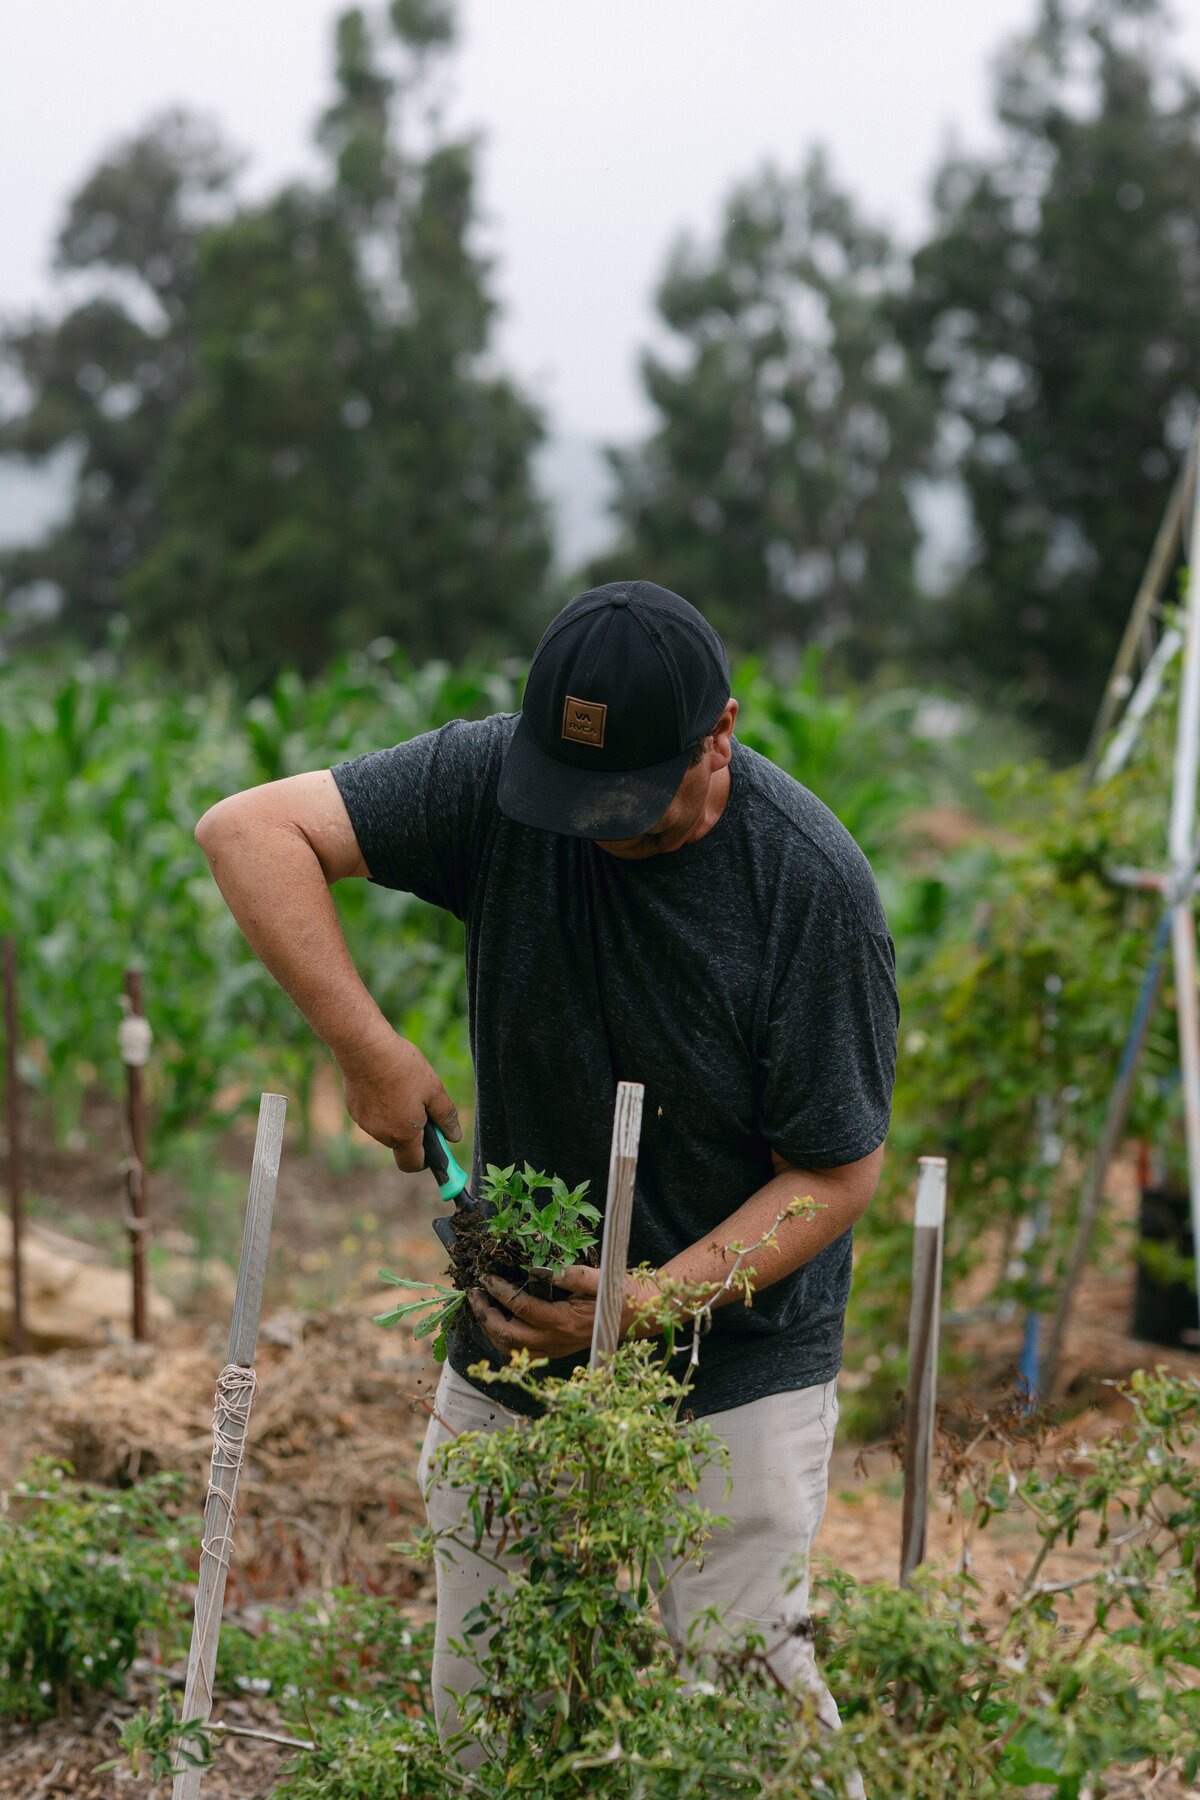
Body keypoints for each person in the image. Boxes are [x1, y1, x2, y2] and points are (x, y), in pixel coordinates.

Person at [195, 579, 897, 1785]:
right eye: (574, 801)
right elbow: (246, 830)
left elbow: (831, 1178)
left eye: (629, 804)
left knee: (747, 1719)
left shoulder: (810, 894)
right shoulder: (498, 783)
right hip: (518, 1335)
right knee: (491, 1724)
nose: (594, 831)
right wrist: (368, 1047)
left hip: (732, 1359)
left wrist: (650, 1302)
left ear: (718, 735)